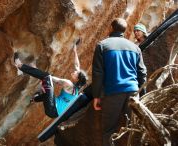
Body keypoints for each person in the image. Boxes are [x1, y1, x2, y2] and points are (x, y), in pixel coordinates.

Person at [92, 18, 147, 146]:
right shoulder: (135, 48)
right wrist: (142, 94)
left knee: (109, 131)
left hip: (113, 93)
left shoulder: (102, 45)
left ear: (111, 28)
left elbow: (98, 74)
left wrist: (96, 96)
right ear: (124, 30)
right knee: (134, 129)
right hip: (133, 92)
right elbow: (142, 73)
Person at [14, 40, 87, 118]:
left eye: (76, 73)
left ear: (77, 79)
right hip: (54, 112)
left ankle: (19, 65)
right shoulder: (76, 90)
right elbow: (77, 65)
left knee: (47, 78)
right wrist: (75, 50)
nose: (75, 71)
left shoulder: (68, 83)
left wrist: (36, 69)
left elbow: (50, 78)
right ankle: (35, 99)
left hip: (52, 108)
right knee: (47, 92)